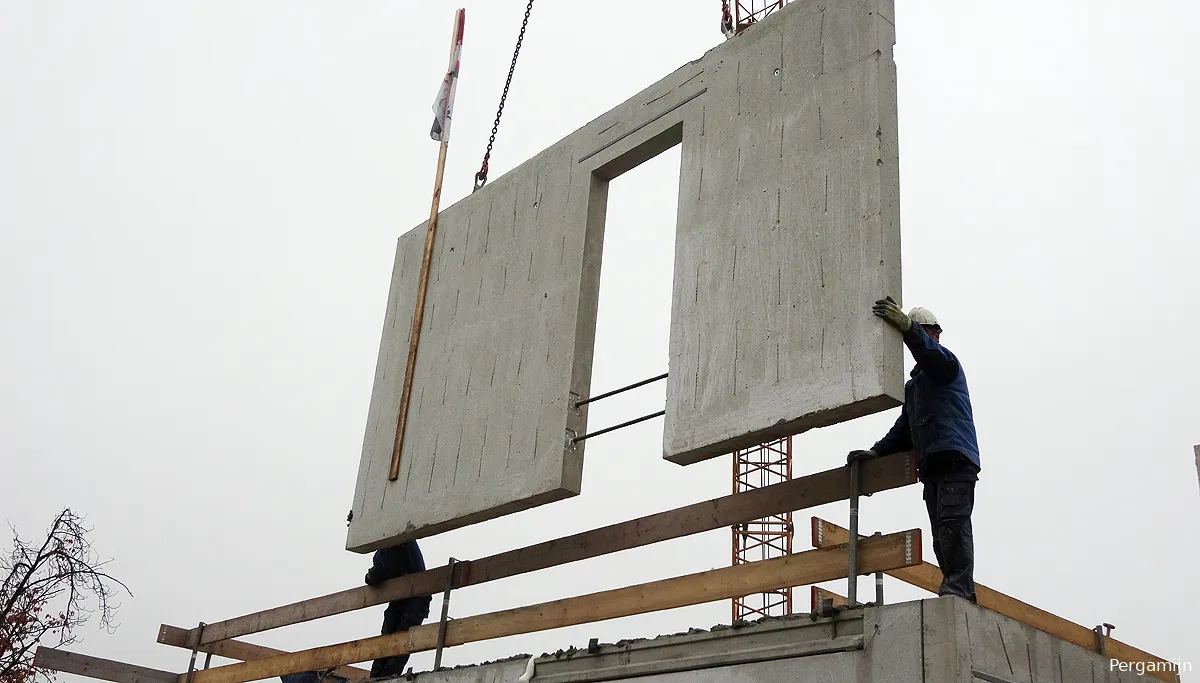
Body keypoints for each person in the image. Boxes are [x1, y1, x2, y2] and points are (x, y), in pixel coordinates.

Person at [847, 297, 981, 603]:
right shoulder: (915, 387)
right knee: (941, 535)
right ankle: (959, 590)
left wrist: (909, 328)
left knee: (953, 526)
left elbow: (930, 355)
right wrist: (876, 453)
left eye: (929, 333)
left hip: (954, 458)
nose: (929, 338)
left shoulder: (946, 365)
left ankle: (959, 590)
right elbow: (904, 431)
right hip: (933, 465)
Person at [363, 540, 433, 679]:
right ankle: (376, 677)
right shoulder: (381, 553)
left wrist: (373, 576)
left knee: (403, 638)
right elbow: (377, 574)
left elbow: (382, 571)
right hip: (398, 599)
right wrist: (371, 576)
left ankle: (388, 676)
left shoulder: (404, 541)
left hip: (417, 599)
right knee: (386, 637)